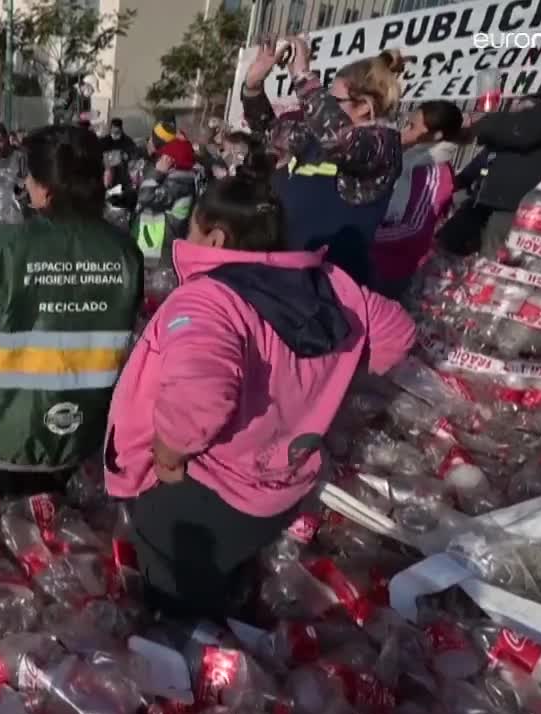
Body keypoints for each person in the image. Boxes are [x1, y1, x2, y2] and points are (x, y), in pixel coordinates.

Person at [102, 144, 415, 618]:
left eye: (194, 229)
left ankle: (183, 641)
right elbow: (398, 332)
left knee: (173, 594)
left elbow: (199, 395)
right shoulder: (331, 285)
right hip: (281, 488)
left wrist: (169, 454)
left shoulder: (209, 300)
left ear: (219, 238)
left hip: (207, 489)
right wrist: (329, 376)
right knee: (227, 567)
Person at [0, 125, 143, 497]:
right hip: (85, 435)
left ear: (45, 187)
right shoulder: (125, 251)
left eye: (30, 177)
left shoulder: (3, 245)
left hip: (7, 432)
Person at [241, 38, 405, 287]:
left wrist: (303, 75)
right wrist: (253, 86)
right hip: (286, 277)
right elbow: (269, 130)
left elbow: (339, 139)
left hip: (331, 291)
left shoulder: (382, 146)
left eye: (333, 102)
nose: (322, 109)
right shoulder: (320, 137)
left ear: (363, 107)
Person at [372, 100, 463, 297]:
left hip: (398, 265)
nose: (405, 130)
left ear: (436, 135)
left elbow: (415, 228)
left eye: (412, 126)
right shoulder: (411, 159)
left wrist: (369, 235)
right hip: (380, 256)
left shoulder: (433, 170)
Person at [134, 124, 199, 267]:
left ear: (171, 160)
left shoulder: (178, 183)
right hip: (157, 240)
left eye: (164, 156)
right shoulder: (178, 179)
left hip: (162, 245)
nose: (160, 159)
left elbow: (145, 197)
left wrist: (158, 172)